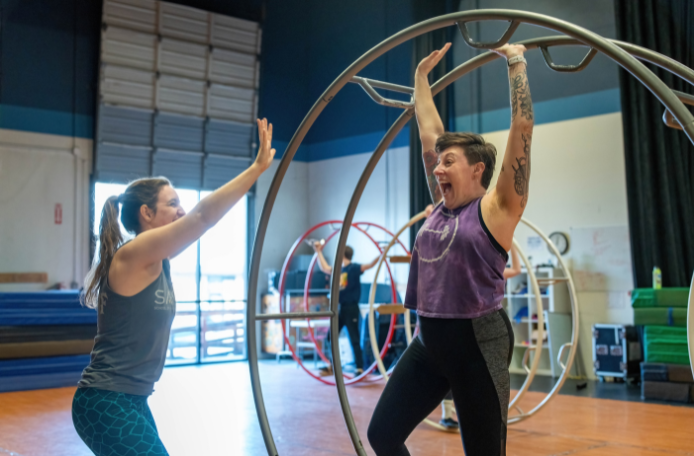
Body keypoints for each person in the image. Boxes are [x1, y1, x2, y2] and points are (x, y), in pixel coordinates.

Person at [367, 41, 534, 456]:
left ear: (477, 169)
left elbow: (522, 131)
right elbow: (428, 129)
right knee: (382, 435)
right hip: (430, 342)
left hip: (479, 343)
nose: (438, 167)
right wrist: (421, 79)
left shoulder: (497, 207)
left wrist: (516, 62)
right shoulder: (440, 205)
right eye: (437, 162)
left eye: (449, 161)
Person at [72, 119, 276, 456]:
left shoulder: (158, 260)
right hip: (105, 401)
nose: (181, 209)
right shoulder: (133, 254)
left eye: (180, 202)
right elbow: (201, 218)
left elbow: (199, 223)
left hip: (133, 400)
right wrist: (256, 169)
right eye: (173, 203)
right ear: (146, 213)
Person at [439, 244, 522, 431]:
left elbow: (516, 269)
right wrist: (513, 244)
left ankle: (466, 415)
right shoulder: (473, 271)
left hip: (482, 327)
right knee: (461, 372)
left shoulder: (488, 270)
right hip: (472, 326)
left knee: (469, 372)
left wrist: (512, 244)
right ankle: (451, 414)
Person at [312, 242, 379, 376]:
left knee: (354, 338)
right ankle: (332, 365)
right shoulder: (338, 269)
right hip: (338, 309)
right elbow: (324, 267)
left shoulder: (353, 268)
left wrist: (382, 253)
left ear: (342, 254)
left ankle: (359, 368)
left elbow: (370, 265)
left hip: (351, 308)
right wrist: (318, 251)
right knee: (330, 337)